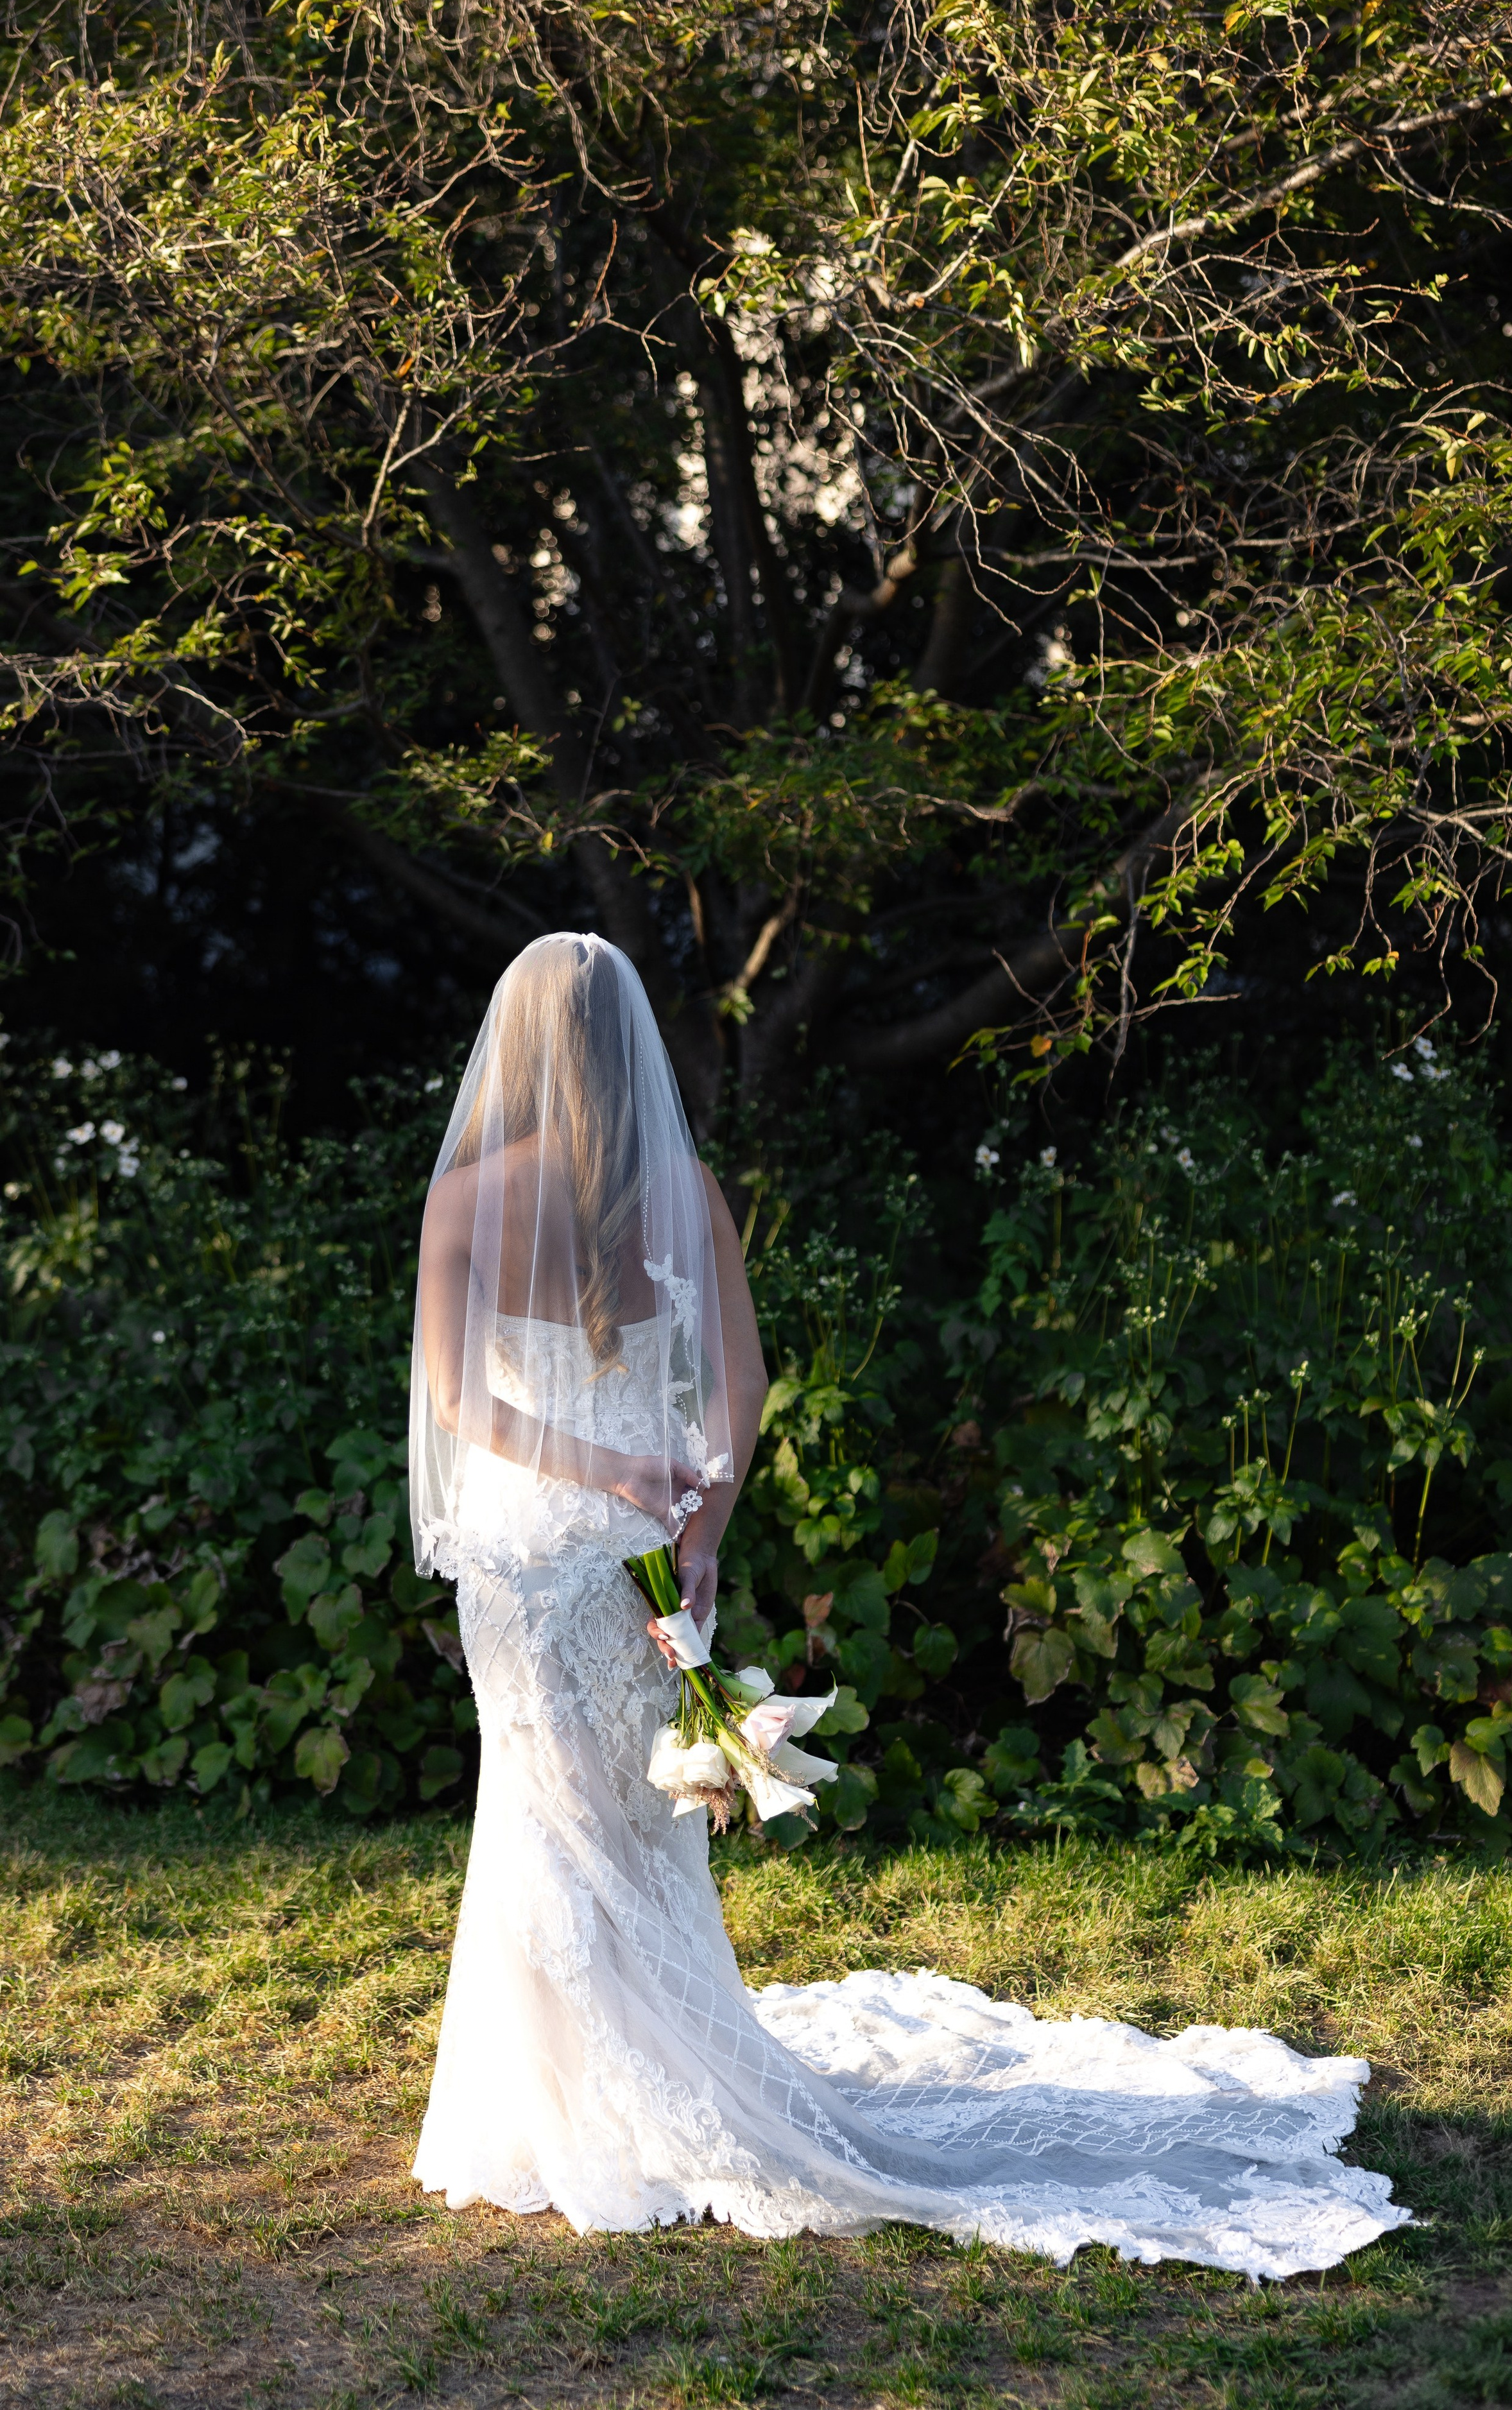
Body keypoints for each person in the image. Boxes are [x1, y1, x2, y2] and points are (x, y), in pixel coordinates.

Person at [409, 933, 1406, 2277]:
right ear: (625, 1045)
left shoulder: (466, 1197)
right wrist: (696, 1529)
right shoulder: (683, 1189)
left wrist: (601, 1472)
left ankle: (553, 2113)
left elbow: (467, 1409)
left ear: (516, 1044)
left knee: (546, 1819)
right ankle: (617, 2090)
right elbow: (741, 1387)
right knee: (635, 1829)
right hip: (638, 1554)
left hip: (527, 1567)